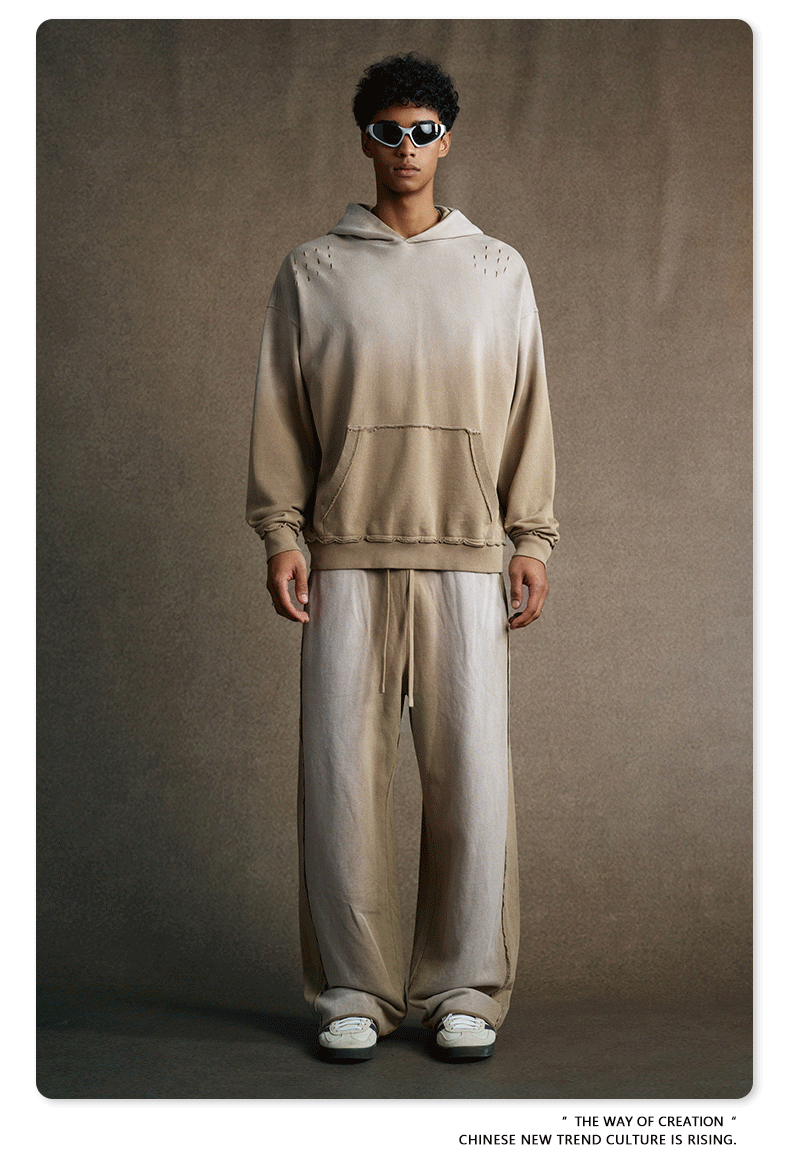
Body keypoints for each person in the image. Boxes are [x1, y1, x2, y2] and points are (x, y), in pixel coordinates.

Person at [246, 52, 558, 1063]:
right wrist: (283, 532)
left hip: (467, 553)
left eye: (424, 131)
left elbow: (527, 407)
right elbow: (281, 408)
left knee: (472, 780)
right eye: (389, 131)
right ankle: (353, 987)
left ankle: (465, 986)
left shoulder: (497, 270)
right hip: (344, 555)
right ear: (365, 140)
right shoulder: (313, 271)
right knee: (342, 780)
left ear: (447, 139)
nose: (407, 148)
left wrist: (530, 536)